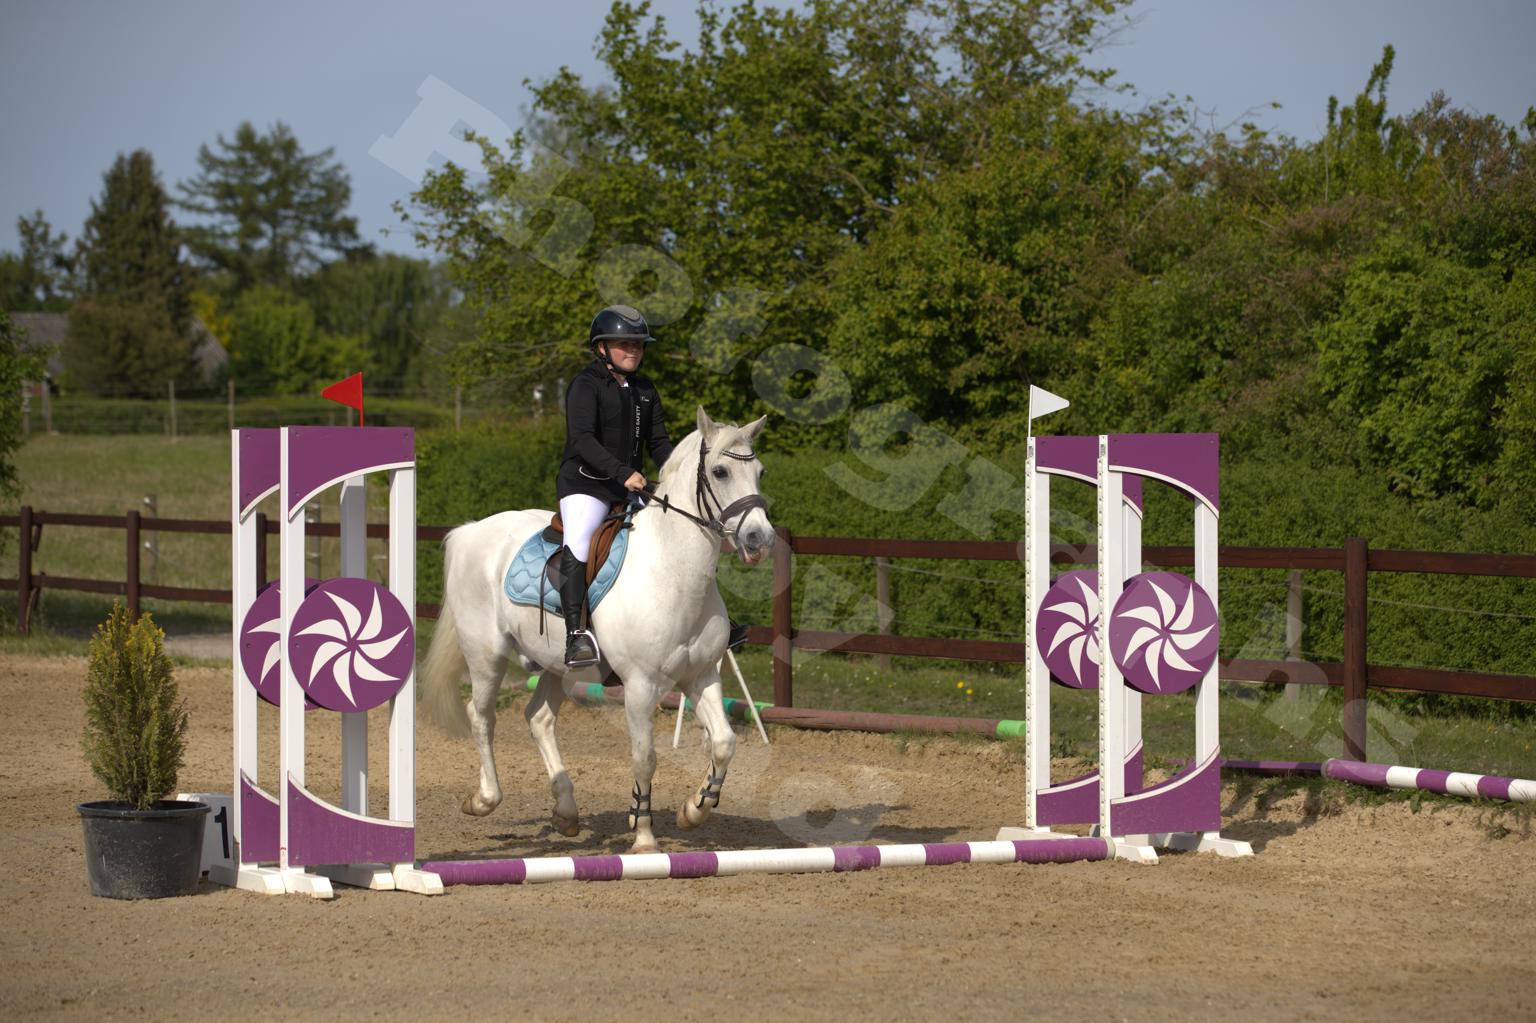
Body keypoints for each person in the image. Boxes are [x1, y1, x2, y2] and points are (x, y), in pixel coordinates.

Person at [555, 305, 750, 668]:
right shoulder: (585, 385)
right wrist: (621, 472)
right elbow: (582, 440)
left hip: (631, 487)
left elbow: (659, 443)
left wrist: (677, 475)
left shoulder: (644, 389)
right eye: (624, 344)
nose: (633, 350)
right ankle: (575, 634)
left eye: (639, 344)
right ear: (601, 348)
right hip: (586, 484)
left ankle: (715, 623)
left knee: (686, 536)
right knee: (579, 540)